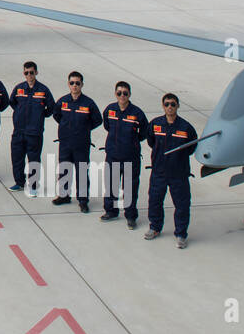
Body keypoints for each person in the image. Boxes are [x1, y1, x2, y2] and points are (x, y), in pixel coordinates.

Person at [145, 93, 196, 248]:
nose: (170, 107)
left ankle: (181, 234)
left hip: (178, 174)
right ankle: (155, 227)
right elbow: (151, 141)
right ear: (163, 106)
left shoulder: (186, 127)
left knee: (182, 205)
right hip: (159, 172)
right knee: (154, 201)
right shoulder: (155, 124)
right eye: (167, 104)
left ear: (178, 106)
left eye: (173, 104)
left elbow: (192, 147)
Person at [52, 71, 102, 212]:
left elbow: (97, 120)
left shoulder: (88, 103)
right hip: (65, 143)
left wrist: (84, 129)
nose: (75, 86)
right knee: (64, 170)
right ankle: (64, 196)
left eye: (77, 83)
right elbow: (57, 115)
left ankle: (83, 200)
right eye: (72, 83)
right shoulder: (62, 101)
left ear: (82, 85)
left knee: (81, 172)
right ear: (68, 84)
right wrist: (65, 128)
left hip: (81, 144)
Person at [101, 81, 148, 228]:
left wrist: (131, 143)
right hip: (113, 155)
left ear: (130, 95)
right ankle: (111, 211)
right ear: (115, 94)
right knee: (111, 185)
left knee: (130, 188)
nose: (122, 96)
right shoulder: (110, 110)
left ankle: (130, 216)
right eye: (119, 93)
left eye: (125, 93)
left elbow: (144, 132)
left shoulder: (137, 113)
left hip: (130, 157)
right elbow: (107, 125)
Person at [9, 61, 55, 194]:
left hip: (34, 132)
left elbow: (51, 107)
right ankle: (19, 183)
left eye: (31, 72)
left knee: (33, 160)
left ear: (36, 72)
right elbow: (12, 102)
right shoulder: (19, 89)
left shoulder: (43, 90)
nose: (29, 75)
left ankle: (34, 186)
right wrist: (19, 116)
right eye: (26, 73)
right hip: (19, 131)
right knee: (17, 158)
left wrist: (40, 116)